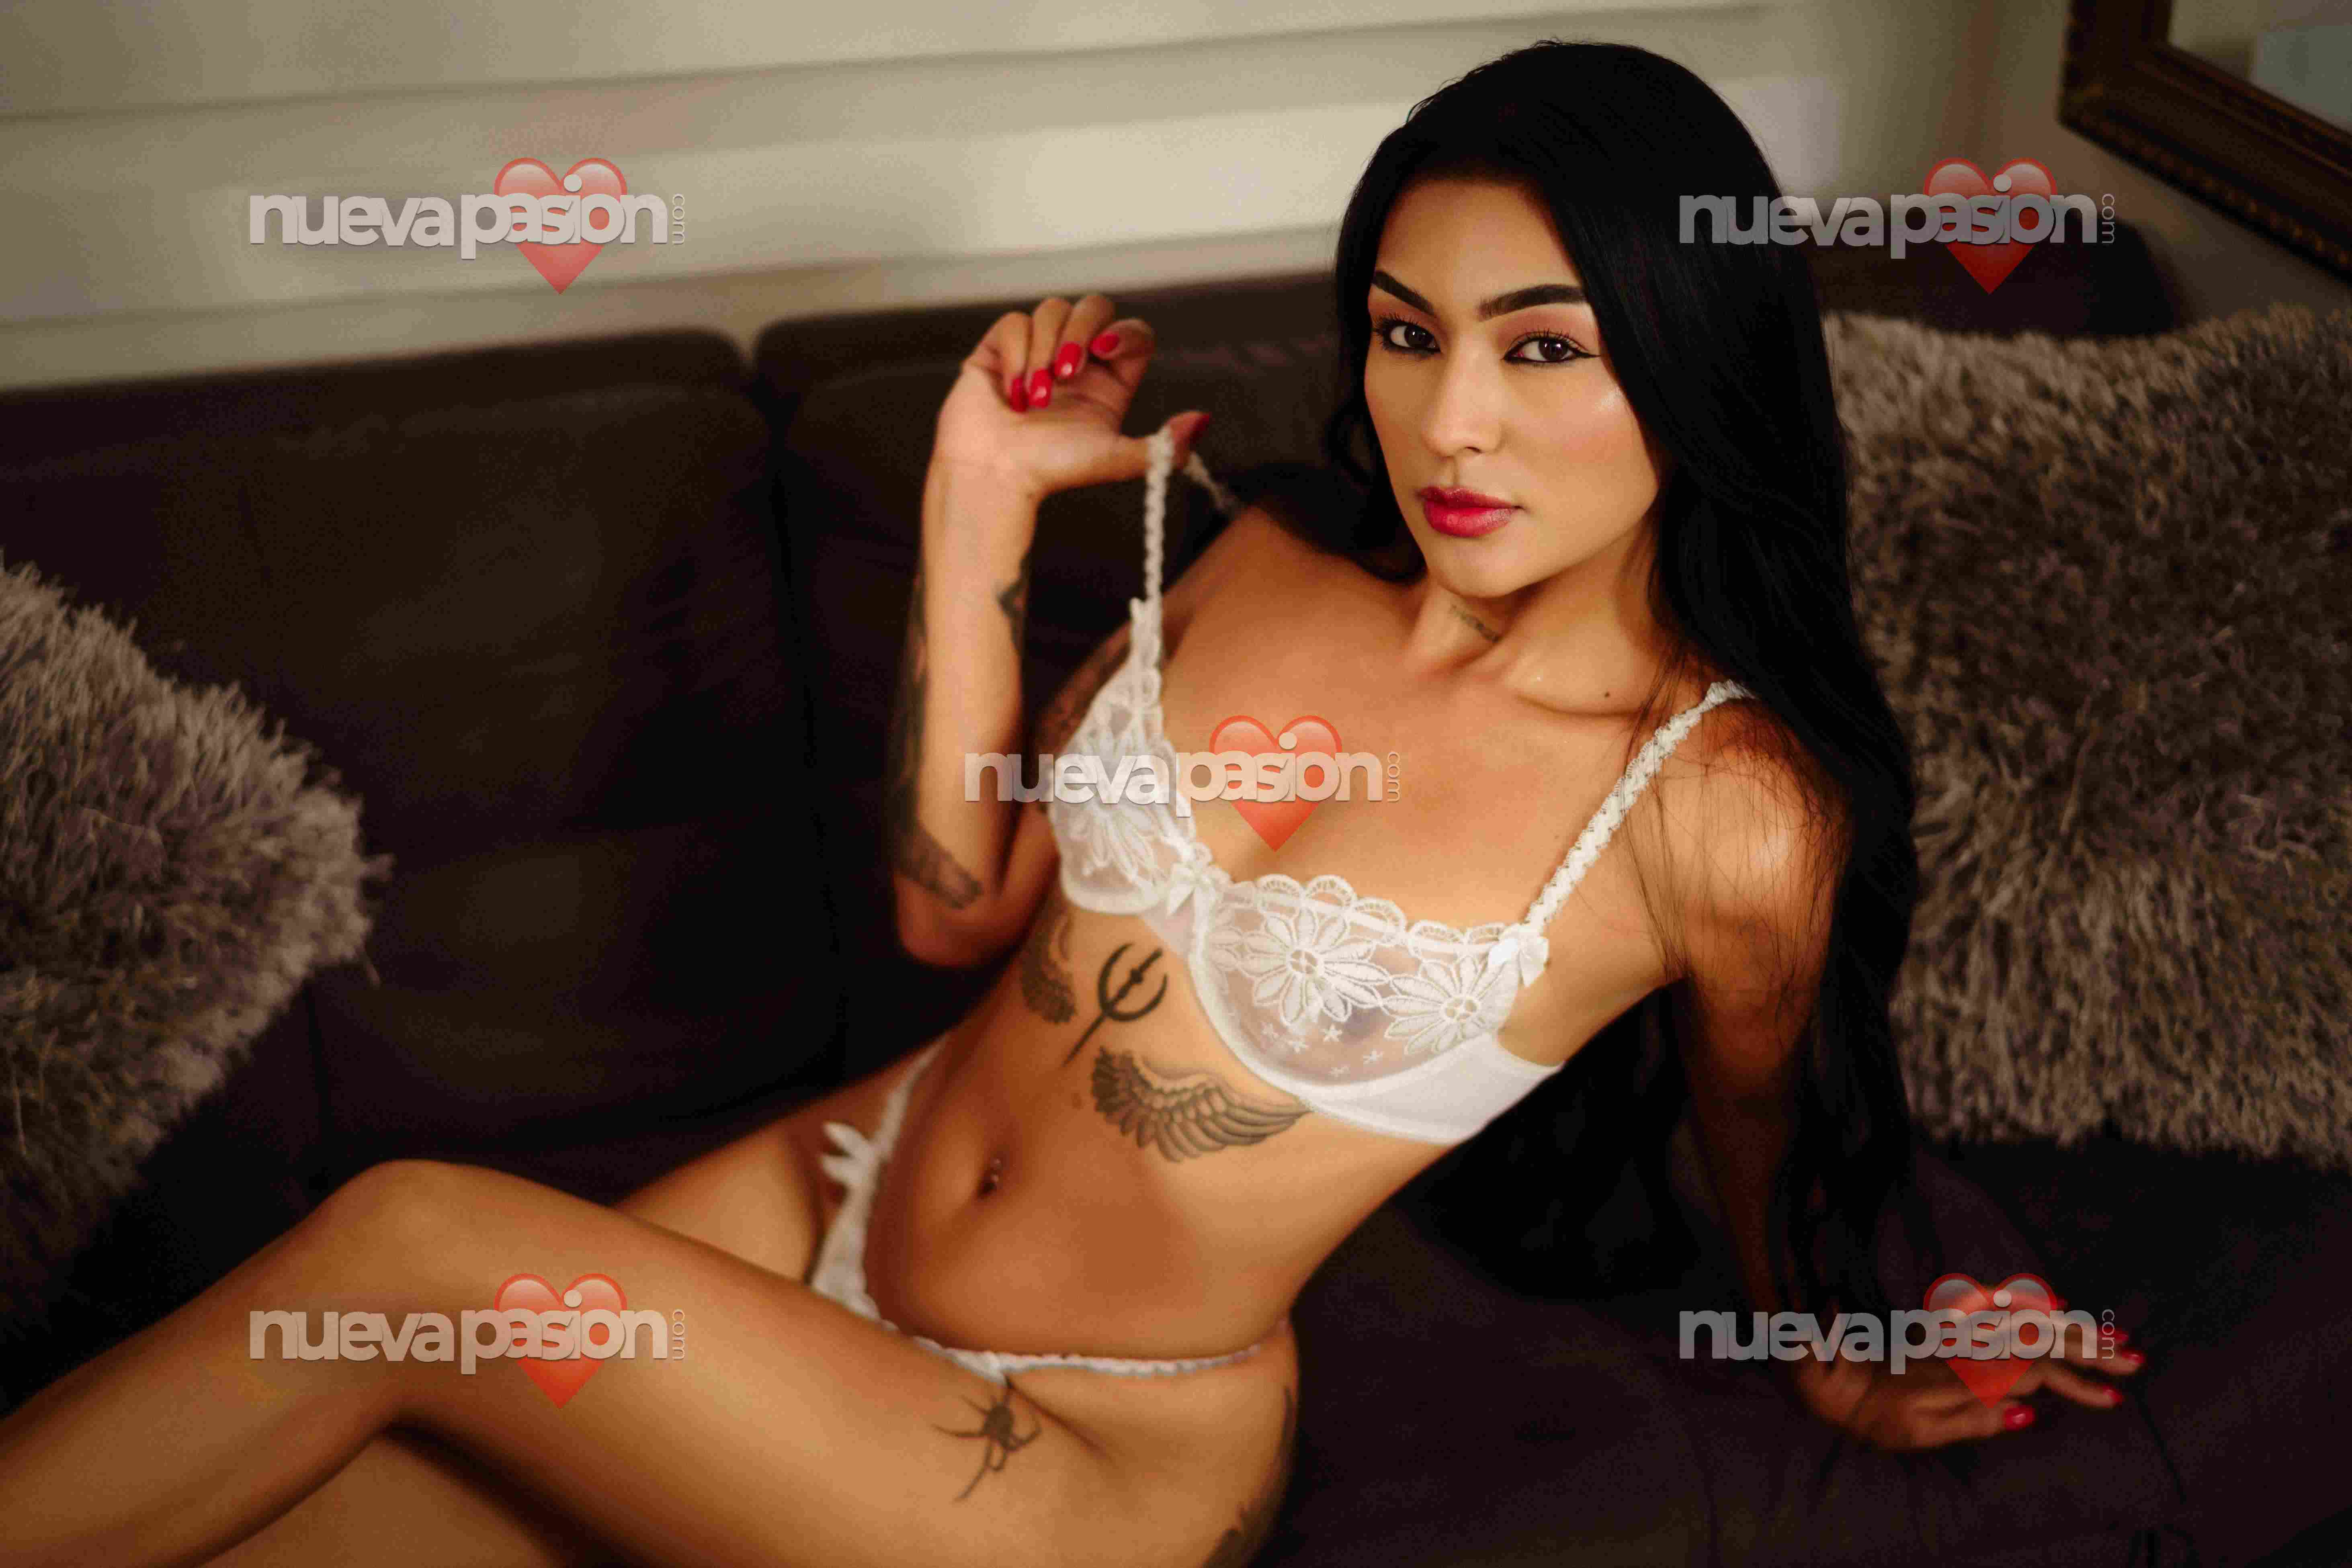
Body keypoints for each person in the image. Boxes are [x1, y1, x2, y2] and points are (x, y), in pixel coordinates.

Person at [0, 38, 2141, 1568]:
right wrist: (974, 510)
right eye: (1407, 335)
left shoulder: (1722, 810)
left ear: (1693, 361)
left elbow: (1767, 1127)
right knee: (292, 1492)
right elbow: (959, 912)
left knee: (416, 1249)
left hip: (1077, 1445)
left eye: (1543, 348)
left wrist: (1839, 1344)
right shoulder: (1272, 548)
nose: (1449, 424)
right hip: (824, 1192)